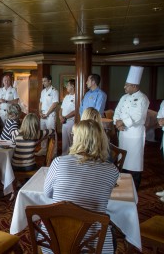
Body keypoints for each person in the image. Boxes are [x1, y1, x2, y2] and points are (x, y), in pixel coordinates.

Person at [44, 120, 119, 254]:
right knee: (113, 235)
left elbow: (47, 194)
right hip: (94, 245)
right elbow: (104, 197)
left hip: (55, 241)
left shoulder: (58, 162)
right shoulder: (112, 170)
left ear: (76, 138)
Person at [113, 66, 149, 190]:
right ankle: (122, 182)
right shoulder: (124, 97)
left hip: (134, 135)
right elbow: (117, 111)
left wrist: (122, 122)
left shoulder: (142, 99)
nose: (124, 87)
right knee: (123, 158)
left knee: (134, 161)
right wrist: (117, 122)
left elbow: (138, 117)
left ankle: (135, 185)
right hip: (123, 133)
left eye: (127, 85)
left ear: (134, 86)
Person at [36, 75, 58, 156]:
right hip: (43, 115)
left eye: (45, 81)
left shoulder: (54, 91)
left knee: (52, 133)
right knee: (43, 132)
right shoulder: (43, 91)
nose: (43, 83)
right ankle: (43, 149)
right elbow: (40, 103)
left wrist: (47, 114)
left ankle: (53, 152)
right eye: (42, 81)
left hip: (50, 115)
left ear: (50, 81)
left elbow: (55, 104)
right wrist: (40, 112)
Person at [59, 79, 75, 155]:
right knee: (64, 142)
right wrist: (60, 116)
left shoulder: (77, 97)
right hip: (64, 122)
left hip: (71, 122)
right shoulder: (66, 97)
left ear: (72, 86)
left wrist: (65, 117)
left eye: (68, 85)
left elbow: (75, 111)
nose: (66, 87)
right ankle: (64, 156)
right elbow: (61, 108)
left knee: (72, 142)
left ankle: (72, 157)